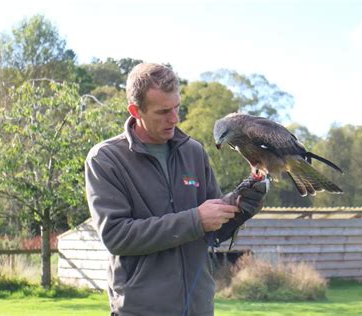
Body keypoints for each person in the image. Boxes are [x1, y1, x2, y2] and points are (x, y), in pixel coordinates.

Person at [85, 63, 267, 316]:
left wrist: (243, 205)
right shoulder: (105, 159)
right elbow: (116, 236)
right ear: (135, 110)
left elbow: (210, 233)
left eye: (177, 107)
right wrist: (196, 219)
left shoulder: (193, 152)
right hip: (140, 311)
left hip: (199, 308)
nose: (174, 118)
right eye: (163, 111)